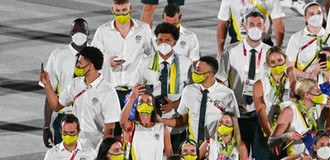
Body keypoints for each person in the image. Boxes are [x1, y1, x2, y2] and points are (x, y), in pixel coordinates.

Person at [218, 11, 272, 160]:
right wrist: (231, 105)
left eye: (259, 24)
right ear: (243, 25)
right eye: (252, 23)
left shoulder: (271, 53)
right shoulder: (231, 52)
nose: (255, 27)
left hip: (260, 117)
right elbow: (221, 82)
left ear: (265, 28)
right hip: (238, 116)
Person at [40, 46, 121, 150]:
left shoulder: (108, 91)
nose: (77, 65)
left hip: (95, 149)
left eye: (80, 63)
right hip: (76, 146)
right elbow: (56, 105)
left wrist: (102, 154)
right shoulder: (76, 84)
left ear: (90, 66)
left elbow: (109, 129)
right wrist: (47, 84)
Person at [91, 0, 155, 111]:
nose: (121, 14)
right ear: (112, 10)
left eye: (124, 10)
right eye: (118, 11)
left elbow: (152, 57)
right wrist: (107, 63)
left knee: (133, 126)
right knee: (111, 127)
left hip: (135, 91)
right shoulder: (102, 31)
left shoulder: (143, 29)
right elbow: (92, 60)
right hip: (110, 90)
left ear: (131, 8)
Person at [41, 18, 90, 148]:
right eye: (75, 31)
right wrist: (46, 126)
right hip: (64, 116)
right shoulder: (58, 55)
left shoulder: (97, 55)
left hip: (88, 117)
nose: (79, 34)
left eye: (82, 31)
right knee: (61, 159)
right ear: (70, 33)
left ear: (88, 33)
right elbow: (50, 92)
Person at [144, 22, 193, 152]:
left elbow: (192, 93)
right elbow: (136, 88)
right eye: (160, 40)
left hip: (176, 123)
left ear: (175, 42)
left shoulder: (186, 64)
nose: (163, 43)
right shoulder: (145, 62)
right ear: (156, 41)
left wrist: (175, 104)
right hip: (152, 123)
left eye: (168, 40)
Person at [166, 56, 239, 143]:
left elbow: (233, 123)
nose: (194, 72)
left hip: (216, 144)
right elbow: (183, 119)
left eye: (198, 70)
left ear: (209, 73)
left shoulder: (227, 94)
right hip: (193, 146)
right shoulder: (188, 90)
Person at [286, 2, 330, 80]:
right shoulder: (296, 38)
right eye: (311, 14)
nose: (316, 16)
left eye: (318, 13)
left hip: (327, 85)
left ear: (322, 15)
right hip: (305, 84)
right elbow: (289, 68)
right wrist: (309, 75)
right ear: (305, 17)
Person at [216, 0, 284, 56]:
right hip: (240, 45)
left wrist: (278, 47)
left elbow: (278, 23)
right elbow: (223, 23)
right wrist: (220, 51)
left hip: (261, 44)